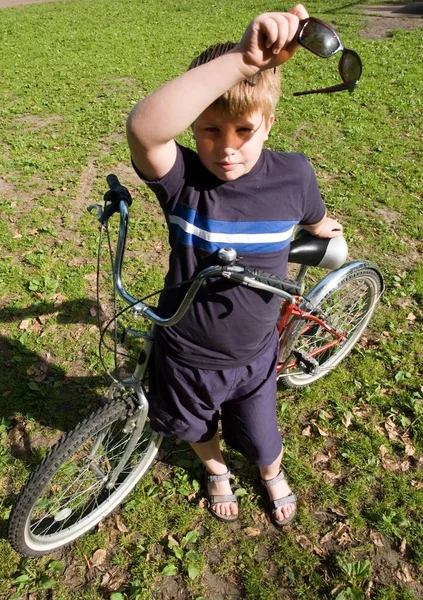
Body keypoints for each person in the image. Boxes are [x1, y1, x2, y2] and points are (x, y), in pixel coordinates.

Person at [126, 4, 343, 526]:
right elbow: (145, 129)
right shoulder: (184, 182)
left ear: (270, 121)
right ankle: (217, 468)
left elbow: (312, 212)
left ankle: (269, 472)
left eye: (244, 130)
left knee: (263, 435)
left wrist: (320, 228)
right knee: (194, 425)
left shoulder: (293, 175)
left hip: (254, 353)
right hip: (184, 351)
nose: (226, 149)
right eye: (209, 131)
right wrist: (242, 63)